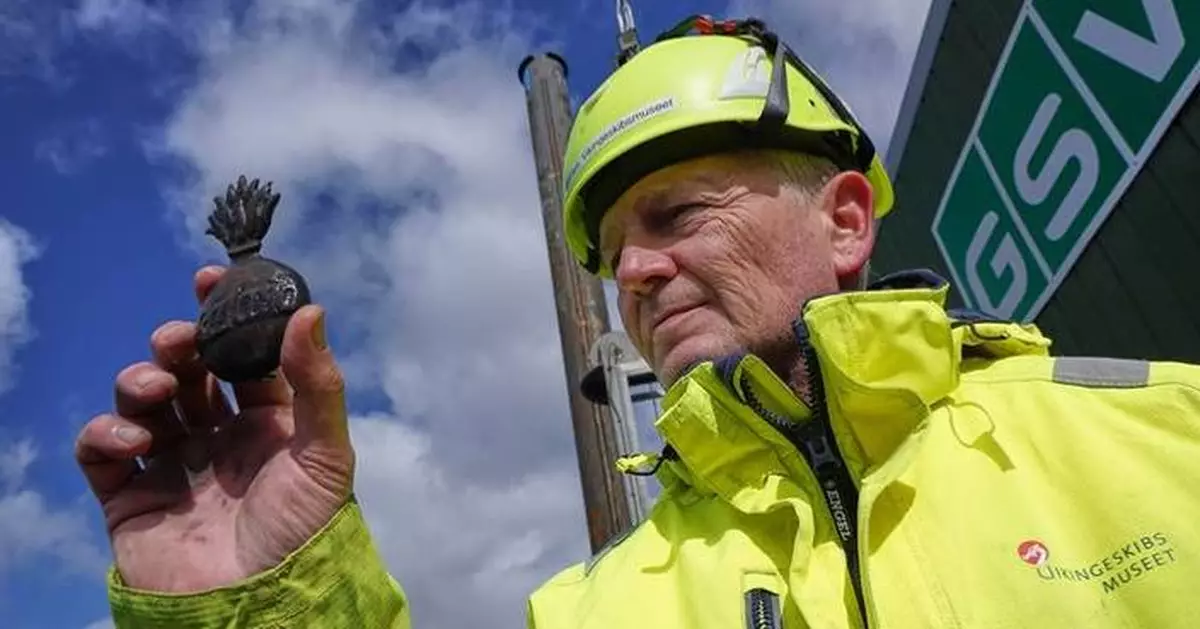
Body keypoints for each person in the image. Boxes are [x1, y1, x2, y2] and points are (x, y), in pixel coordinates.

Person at [78, 14, 1200, 629]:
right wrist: (258, 607)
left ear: (847, 217)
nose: (640, 273)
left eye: (677, 214)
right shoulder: (596, 608)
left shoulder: (1169, 435)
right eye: (614, 254)